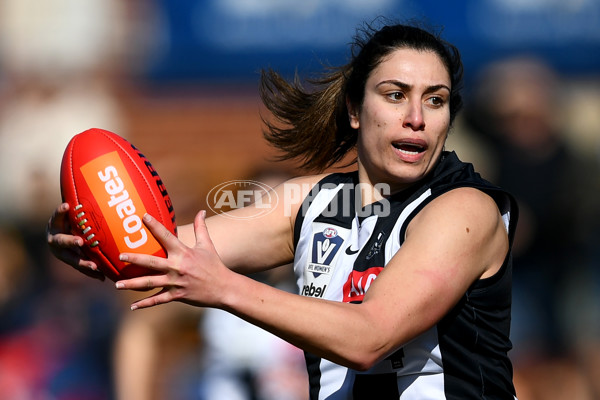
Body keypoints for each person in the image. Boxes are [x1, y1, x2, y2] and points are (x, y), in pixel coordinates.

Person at [48, 21, 519, 399]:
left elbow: (370, 337)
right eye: (396, 95)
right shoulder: (309, 202)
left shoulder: (465, 211)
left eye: (434, 100)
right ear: (355, 109)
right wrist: (95, 238)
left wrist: (225, 288)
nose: (416, 117)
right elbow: (160, 253)